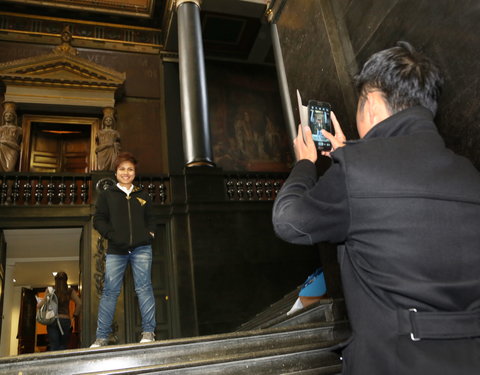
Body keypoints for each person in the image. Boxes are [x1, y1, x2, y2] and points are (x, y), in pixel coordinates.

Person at [272, 41, 480, 375]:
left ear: (370, 104)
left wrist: (306, 163)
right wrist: (354, 154)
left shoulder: (357, 170)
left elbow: (289, 221)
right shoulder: (469, 173)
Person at [91, 151, 156, 347]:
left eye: (130, 169)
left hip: (142, 249)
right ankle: (102, 337)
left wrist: (149, 234)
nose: (126, 172)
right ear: (116, 172)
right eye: (122, 169)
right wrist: (111, 235)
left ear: (134, 172)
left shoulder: (143, 195)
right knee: (110, 292)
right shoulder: (107, 195)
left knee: (144, 288)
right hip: (116, 251)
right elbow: (98, 219)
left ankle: (148, 333)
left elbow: (151, 219)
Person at [37, 272, 81, 351]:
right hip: (65, 320)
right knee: (63, 345)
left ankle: (54, 362)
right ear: (66, 280)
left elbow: (39, 306)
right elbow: (79, 303)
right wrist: (74, 316)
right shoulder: (70, 291)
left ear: (55, 280)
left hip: (52, 320)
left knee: (54, 345)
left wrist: (41, 303)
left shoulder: (50, 290)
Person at [0, 103, 22, 172]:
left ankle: (9, 183)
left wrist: (6, 142)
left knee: (10, 169)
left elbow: (18, 141)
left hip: (12, 149)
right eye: (6, 115)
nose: (8, 117)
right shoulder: (0, 128)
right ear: (4, 117)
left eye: (10, 115)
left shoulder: (19, 129)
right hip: (1, 149)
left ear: (14, 117)